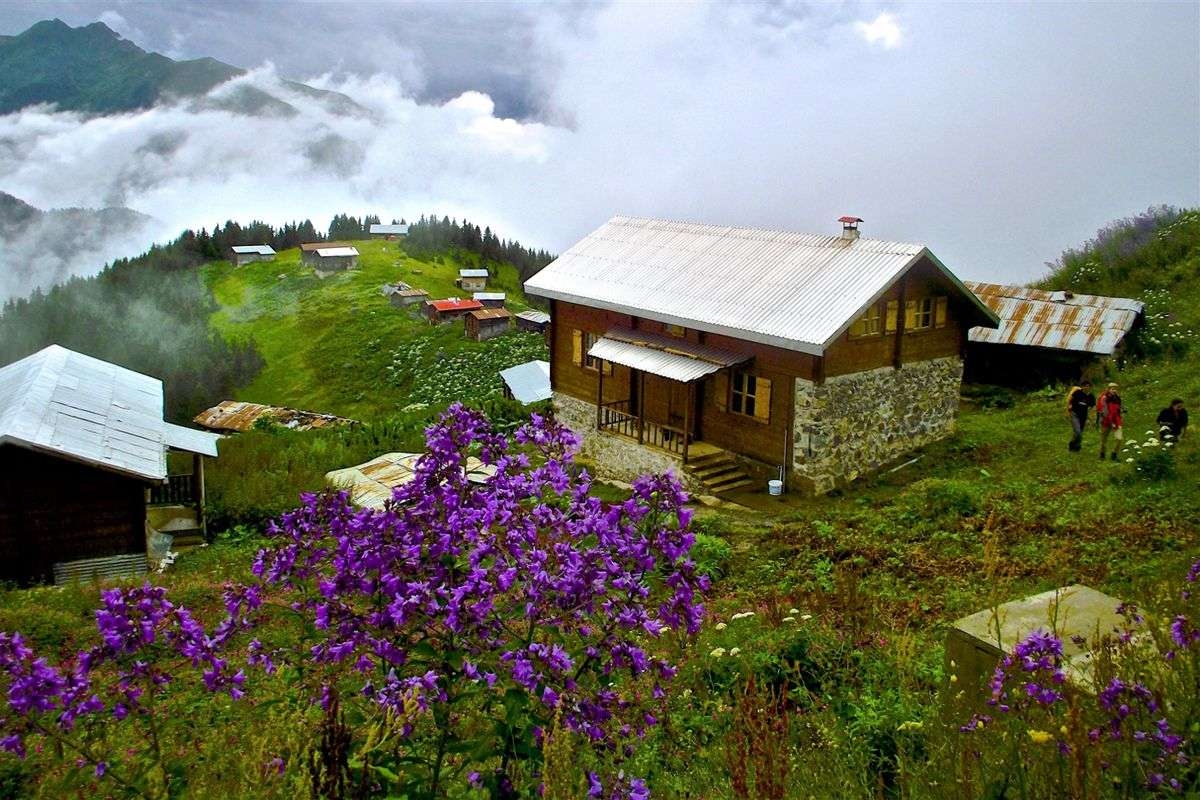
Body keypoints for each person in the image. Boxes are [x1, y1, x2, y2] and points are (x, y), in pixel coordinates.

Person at [1096, 383, 1124, 461]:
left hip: (1116, 421)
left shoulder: (1117, 398)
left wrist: (1121, 412)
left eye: (1115, 389)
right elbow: (1104, 411)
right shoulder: (1104, 398)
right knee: (1104, 440)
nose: (1114, 390)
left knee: (1119, 439)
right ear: (1108, 389)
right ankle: (1102, 455)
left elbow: (1118, 409)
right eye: (1112, 389)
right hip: (1106, 421)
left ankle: (1114, 455)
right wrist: (1111, 422)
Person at [1066, 381, 1095, 452]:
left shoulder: (1091, 397)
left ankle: (1075, 447)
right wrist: (1069, 406)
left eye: (1088, 386)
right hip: (1074, 414)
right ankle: (1074, 445)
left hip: (1083, 416)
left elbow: (1093, 407)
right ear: (1082, 387)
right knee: (1078, 432)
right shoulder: (1077, 393)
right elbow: (1070, 399)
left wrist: (1091, 418)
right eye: (1085, 386)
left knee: (1078, 433)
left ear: (1090, 387)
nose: (1086, 387)